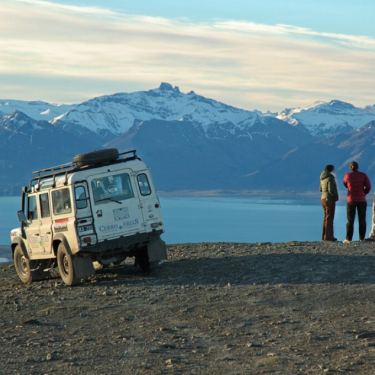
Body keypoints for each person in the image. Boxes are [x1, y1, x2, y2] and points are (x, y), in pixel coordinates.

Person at [343, 161, 371, 243]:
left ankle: (348, 238)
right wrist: (363, 193)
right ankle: (361, 238)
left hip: (351, 199)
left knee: (350, 220)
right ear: (357, 167)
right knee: (362, 219)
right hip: (361, 200)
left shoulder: (347, 175)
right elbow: (368, 186)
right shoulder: (363, 175)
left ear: (350, 168)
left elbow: (345, 184)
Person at [319, 164, 339, 241]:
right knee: (330, 217)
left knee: (326, 217)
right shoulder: (330, 178)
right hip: (329, 199)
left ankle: (324, 235)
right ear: (331, 170)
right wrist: (335, 196)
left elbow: (320, 189)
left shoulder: (322, 178)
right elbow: (331, 190)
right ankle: (329, 236)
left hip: (323, 199)